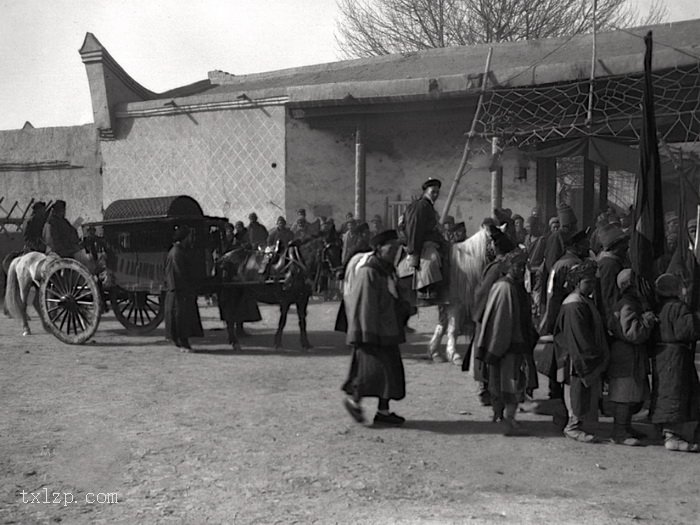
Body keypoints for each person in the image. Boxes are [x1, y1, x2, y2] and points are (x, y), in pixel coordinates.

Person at [342, 230, 410, 426]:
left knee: (390, 374)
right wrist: (365, 334)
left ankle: (383, 411)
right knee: (367, 374)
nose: (395, 251)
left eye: (398, 248)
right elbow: (363, 305)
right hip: (371, 334)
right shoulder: (368, 272)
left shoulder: (387, 269)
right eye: (392, 247)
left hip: (388, 332)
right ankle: (353, 402)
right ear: (379, 248)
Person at [474, 249, 538, 435]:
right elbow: (502, 321)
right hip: (506, 345)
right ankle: (504, 418)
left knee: (508, 382)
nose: (521, 270)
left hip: (511, 344)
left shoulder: (513, 286)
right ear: (509, 267)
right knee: (507, 383)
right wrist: (498, 347)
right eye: (518, 266)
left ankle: (505, 417)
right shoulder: (505, 288)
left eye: (522, 267)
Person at [553, 260, 609, 443]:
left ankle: (579, 424)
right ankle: (572, 427)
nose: (591, 286)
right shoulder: (574, 305)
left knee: (582, 395)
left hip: (581, 356)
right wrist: (588, 358)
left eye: (593, 282)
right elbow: (578, 337)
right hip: (576, 359)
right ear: (577, 283)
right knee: (576, 394)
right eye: (588, 282)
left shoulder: (584, 301)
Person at [651, 273, 700, 452]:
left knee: (664, 391)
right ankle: (673, 436)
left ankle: (663, 430)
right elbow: (687, 331)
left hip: (661, 354)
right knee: (676, 393)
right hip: (676, 356)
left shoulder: (659, 307)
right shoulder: (679, 307)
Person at [606, 269, 656, 446]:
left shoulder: (632, 303)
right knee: (624, 395)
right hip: (626, 356)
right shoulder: (627, 305)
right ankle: (619, 431)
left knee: (632, 394)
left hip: (632, 356)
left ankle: (626, 427)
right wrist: (647, 321)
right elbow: (632, 333)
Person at [469, 225, 517, 405]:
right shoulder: (497, 268)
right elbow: (482, 293)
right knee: (487, 353)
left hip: (492, 315)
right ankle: (485, 391)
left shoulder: (497, 266)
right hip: (491, 317)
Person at [404, 178, 446, 300]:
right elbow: (414, 228)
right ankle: (425, 290)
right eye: (433, 192)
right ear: (425, 192)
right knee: (432, 259)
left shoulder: (429, 207)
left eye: (437, 192)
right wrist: (414, 251)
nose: (435, 195)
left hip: (434, 241)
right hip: (423, 243)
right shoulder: (421, 206)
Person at [164, 227, 204, 351]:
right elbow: (180, 273)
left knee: (180, 317)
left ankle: (180, 341)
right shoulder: (177, 253)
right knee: (181, 317)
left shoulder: (175, 251)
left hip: (177, 289)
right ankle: (183, 342)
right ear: (184, 238)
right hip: (180, 290)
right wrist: (189, 286)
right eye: (189, 237)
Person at [42, 200, 93, 270]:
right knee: (80, 255)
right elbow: (52, 241)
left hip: (67, 247)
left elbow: (71, 231)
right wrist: (68, 248)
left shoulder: (64, 221)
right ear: (58, 210)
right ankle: (87, 272)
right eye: (62, 210)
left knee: (84, 251)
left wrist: (77, 241)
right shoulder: (51, 223)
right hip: (57, 251)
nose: (64, 212)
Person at [596, 224, 630, 323]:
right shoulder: (609, 265)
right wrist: (613, 321)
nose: (626, 246)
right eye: (623, 243)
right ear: (615, 246)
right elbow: (609, 296)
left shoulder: (610, 262)